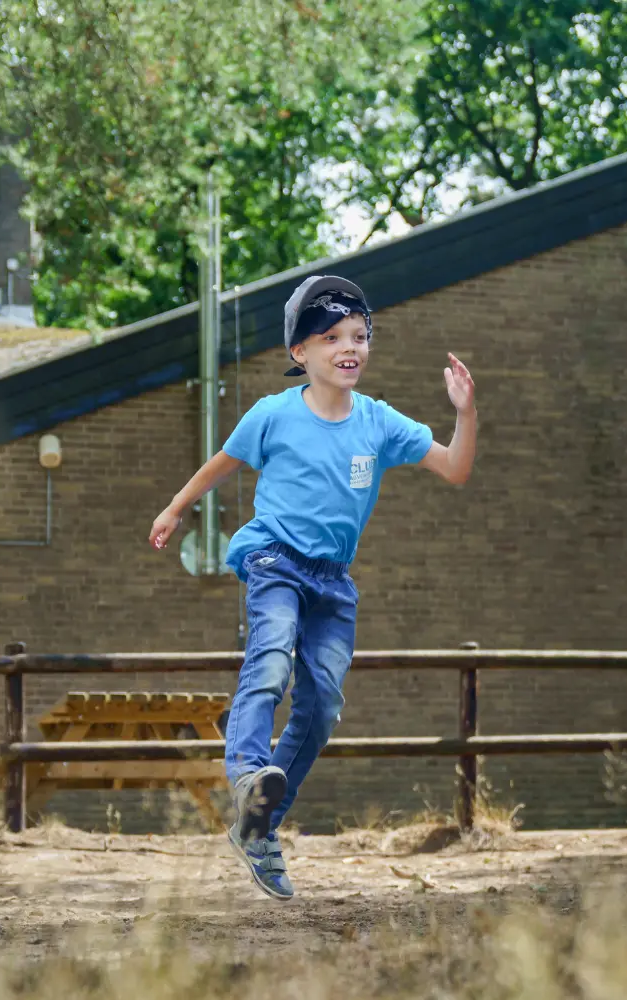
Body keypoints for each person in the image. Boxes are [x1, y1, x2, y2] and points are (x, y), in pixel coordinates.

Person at [149, 274, 477, 900]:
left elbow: (456, 469)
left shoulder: (378, 423)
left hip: (332, 582)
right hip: (274, 560)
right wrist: (176, 508)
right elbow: (224, 462)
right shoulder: (272, 414)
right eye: (331, 338)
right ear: (301, 351)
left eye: (358, 336)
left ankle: (258, 823)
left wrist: (466, 412)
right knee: (269, 662)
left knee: (323, 705)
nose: (348, 347)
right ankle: (248, 775)